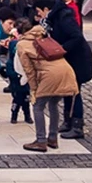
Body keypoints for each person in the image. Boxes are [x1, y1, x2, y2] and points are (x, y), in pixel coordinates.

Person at [17, 18, 78, 152]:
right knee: (53, 104)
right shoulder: (45, 36)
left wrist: (34, 89)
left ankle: (41, 141)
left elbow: (29, 70)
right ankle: (52, 138)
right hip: (66, 71)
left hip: (49, 75)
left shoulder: (22, 45)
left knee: (38, 106)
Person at [40, 0, 92, 140]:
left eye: (39, 12)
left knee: (74, 92)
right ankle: (68, 121)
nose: (39, 15)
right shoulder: (56, 17)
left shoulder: (64, 17)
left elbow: (76, 36)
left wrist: (62, 49)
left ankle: (77, 125)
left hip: (78, 60)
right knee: (68, 91)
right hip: (71, 59)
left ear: (46, 9)